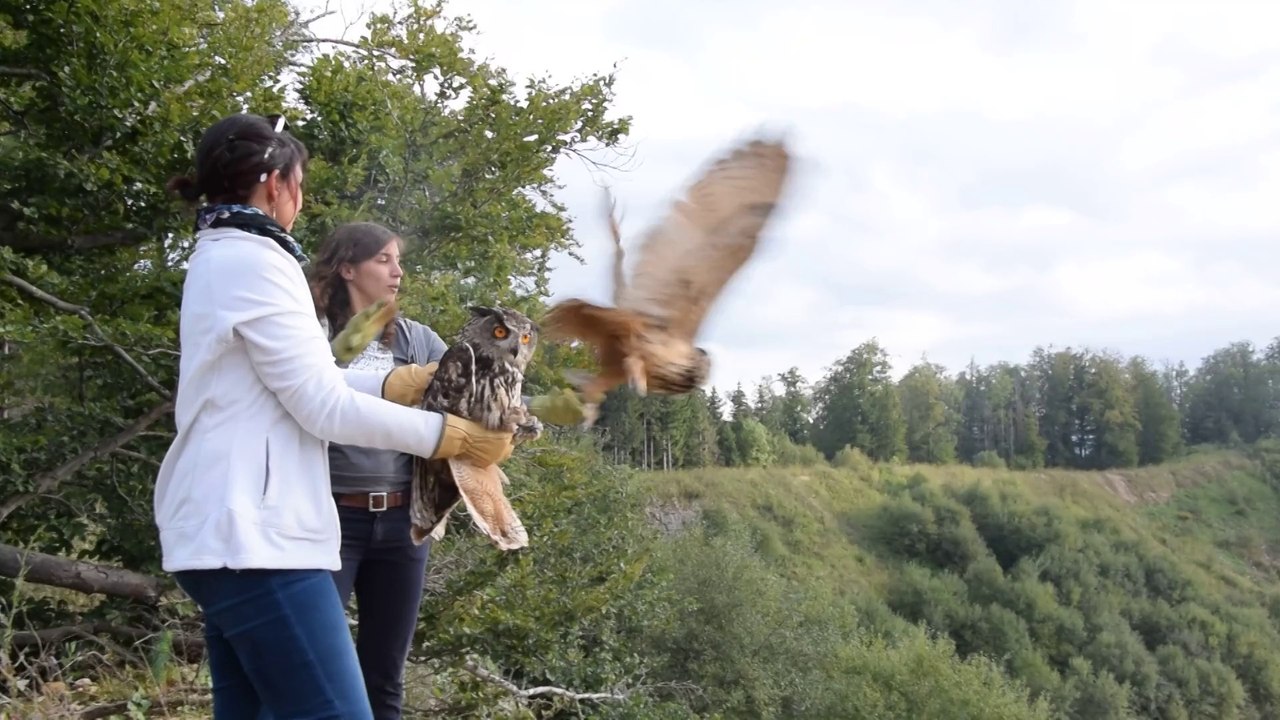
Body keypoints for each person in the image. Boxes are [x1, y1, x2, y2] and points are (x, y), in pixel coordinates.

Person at [152, 112, 515, 720]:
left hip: (228, 533)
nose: (303, 196)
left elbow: (295, 384)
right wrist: (449, 437)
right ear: (274, 183)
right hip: (254, 540)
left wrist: (395, 381)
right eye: (300, 181)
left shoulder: (223, 252)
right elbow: (319, 404)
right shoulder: (258, 261)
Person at [307, 221, 444, 719]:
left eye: (399, 260)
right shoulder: (311, 339)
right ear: (347, 268)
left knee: (384, 676)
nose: (398, 271)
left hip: (405, 525)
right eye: (384, 260)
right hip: (330, 521)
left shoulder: (417, 341)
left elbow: (466, 399)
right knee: (319, 669)